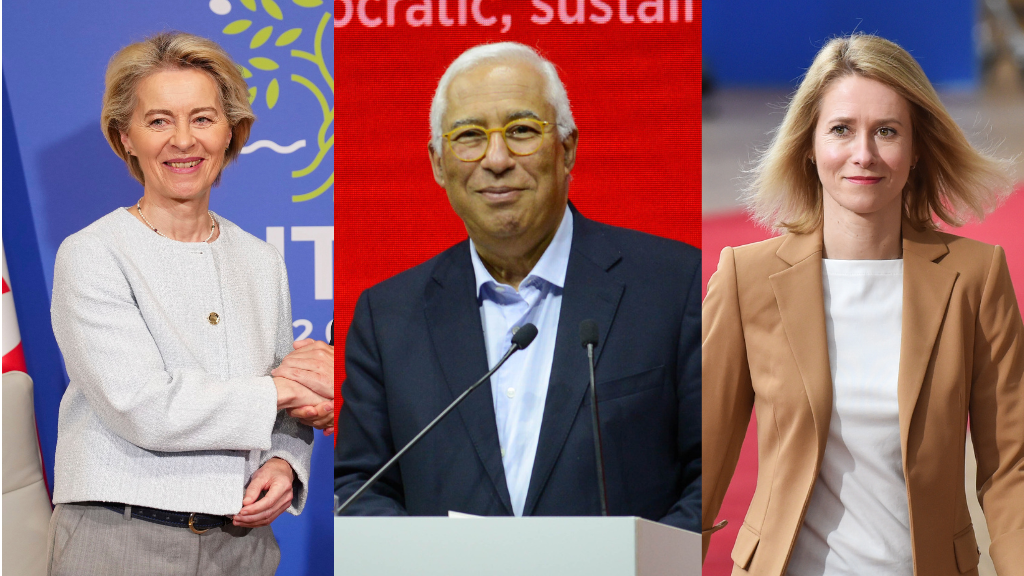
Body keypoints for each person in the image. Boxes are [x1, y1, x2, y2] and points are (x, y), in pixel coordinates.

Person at [333, 42, 701, 530]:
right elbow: (359, 488)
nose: (497, 159)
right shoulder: (388, 316)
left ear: (566, 148)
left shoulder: (675, 285)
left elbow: (707, 474)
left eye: (522, 131)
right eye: (469, 136)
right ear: (439, 163)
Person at [702, 34, 1023, 575]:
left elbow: (1010, 467)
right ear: (809, 143)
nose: (864, 154)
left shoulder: (976, 277)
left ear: (917, 148)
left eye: (887, 132)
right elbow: (702, 459)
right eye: (842, 129)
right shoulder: (747, 278)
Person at [46, 32, 334, 576]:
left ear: (231, 133)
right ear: (125, 137)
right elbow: (144, 407)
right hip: (120, 539)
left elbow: (283, 400)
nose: (183, 141)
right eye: (158, 121)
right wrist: (286, 388)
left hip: (241, 545)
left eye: (202, 118)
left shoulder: (260, 259)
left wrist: (286, 462)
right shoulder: (91, 253)